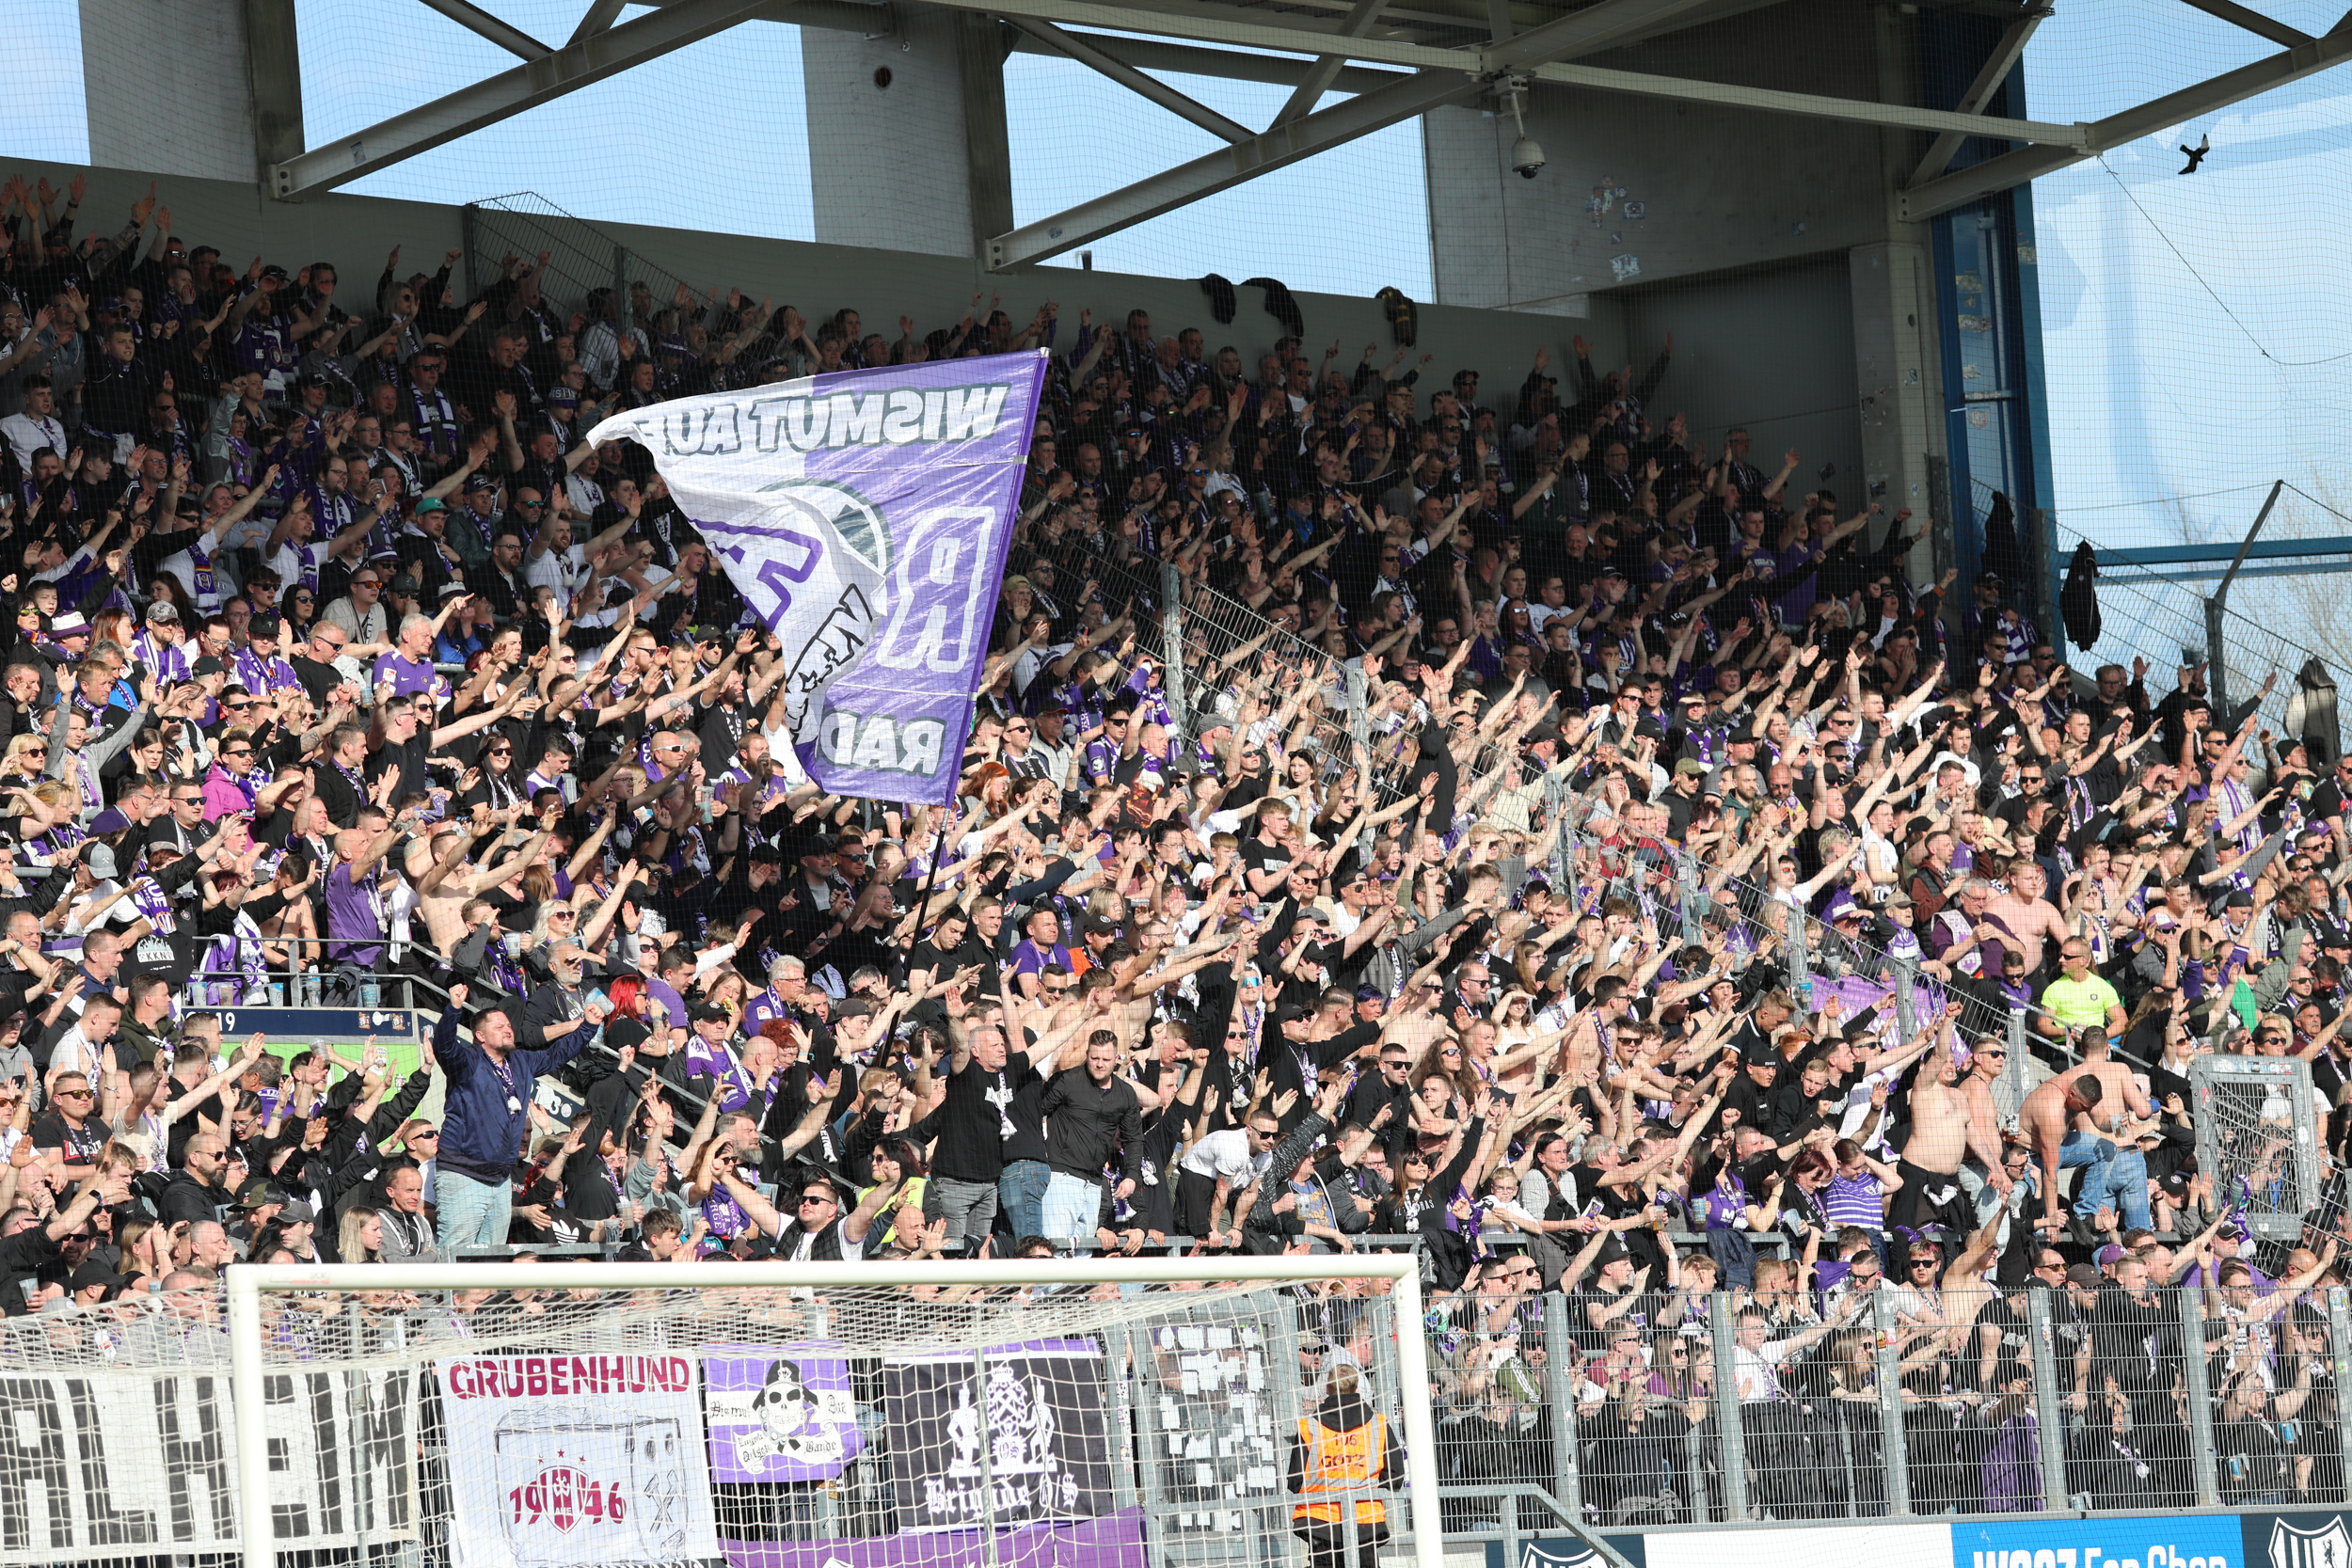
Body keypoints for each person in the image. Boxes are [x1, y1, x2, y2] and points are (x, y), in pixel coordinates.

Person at [1288, 1353, 1405, 1568]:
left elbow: (1294, 1481)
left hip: (1320, 1522)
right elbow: (1395, 1477)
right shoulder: (1378, 1424)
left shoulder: (1309, 1426)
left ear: (1327, 1388)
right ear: (1356, 1388)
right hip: (1365, 1520)